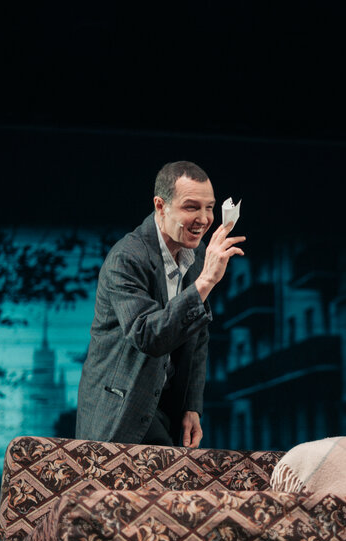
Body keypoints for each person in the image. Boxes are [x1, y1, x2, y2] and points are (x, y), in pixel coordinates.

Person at [76, 161, 244, 447]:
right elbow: (147, 336)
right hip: (119, 408)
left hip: (166, 408)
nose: (204, 219)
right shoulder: (126, 258)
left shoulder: (197, 255)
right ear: (160, 206)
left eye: (209, 207)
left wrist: (191, 406)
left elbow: (197, 335)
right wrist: (205, 282)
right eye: (191, 207)